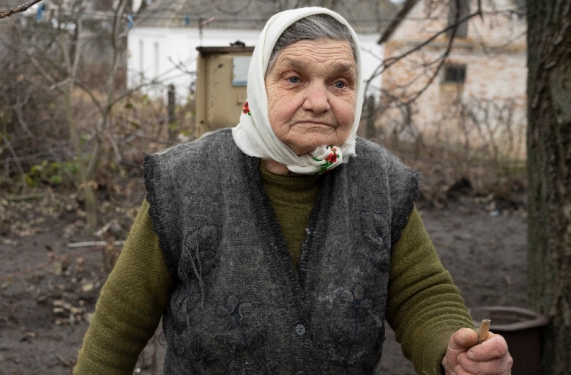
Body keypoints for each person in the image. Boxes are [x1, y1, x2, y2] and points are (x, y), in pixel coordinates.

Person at [74, 7, 512, 375]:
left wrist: (452, 351)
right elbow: (122, 318)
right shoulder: (187, 180)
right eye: (294, 79)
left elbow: (421, 292)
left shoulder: (380, 181)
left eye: (339, 83)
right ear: (260, 90)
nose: (319, 101)